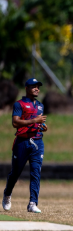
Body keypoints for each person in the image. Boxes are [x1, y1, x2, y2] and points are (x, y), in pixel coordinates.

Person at [2, 78, 47, 213]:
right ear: (27, 88)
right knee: (16, 173)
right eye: (34, 86)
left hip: (37, 142)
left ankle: (32, 203)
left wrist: (42, 126)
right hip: (22, 142)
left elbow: (37, 123)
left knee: (35, 173)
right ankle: (7, 195)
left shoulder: (40, 106)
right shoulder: (19, 104)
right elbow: (15, 123)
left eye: (38, 87)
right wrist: (34, 120)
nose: (37, 89)